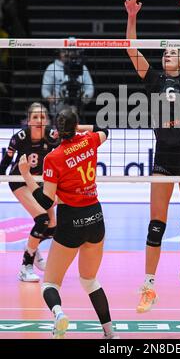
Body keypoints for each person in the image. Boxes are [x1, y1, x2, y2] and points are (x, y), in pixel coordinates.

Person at [124, 0, 180, 313]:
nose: (166, 55)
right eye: (165, 53)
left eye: (172, 52)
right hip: (164, 157)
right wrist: (132, 18)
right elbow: (132, 50)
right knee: (156, 224)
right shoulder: (155, 80)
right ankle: (149, 286)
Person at [18, 107, 117, 340]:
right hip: (95, 217)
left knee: (50, 283)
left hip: (71, 221)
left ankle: (59, 314)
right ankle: (110, 334)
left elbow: (45, 201)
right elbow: (105, 130)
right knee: (89, 280)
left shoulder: (54, 158)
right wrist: (78, 129)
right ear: (76, 126)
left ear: (56, 131)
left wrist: (26, 175)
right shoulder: (89, 141)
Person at [0, 102, 58, 282]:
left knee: (52, 228)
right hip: (19, 181)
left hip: (39, 182)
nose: (39, 120)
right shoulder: (19, 138)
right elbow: (5, 163)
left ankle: (32, 247)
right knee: (42, 220)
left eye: (42, 117)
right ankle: (26, 266)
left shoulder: (51, 136)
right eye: (35, 117)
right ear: (29, 121)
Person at [41, 50, 94, 121]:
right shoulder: (52, 67)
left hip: (77, 108)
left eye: (70, 51)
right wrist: (53, 98)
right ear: (59, 53)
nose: (68, 54)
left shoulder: (81, 67)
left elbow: (90, 88)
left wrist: (83, 99)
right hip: (59, 109)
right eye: (64, 51)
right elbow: (45, 90)